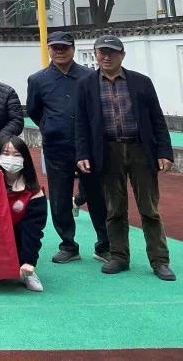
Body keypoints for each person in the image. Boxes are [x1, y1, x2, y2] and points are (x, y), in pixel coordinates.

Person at [76, 35, 175, 281]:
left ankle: (160, 260)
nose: (106, 57)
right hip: (107, 151)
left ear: (122, 55)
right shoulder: (86, 85)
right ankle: (119, 256)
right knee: (114, 208)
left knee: (149, 208)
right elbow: (81, 124)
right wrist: (83, 153)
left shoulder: (141, 82)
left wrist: (164, 151)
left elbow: (157, 118)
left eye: (112, 52)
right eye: (101, 52)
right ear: (96, 54)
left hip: (140, 149)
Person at [26, 31, 109, 264]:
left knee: (96, 195)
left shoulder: (90, 76)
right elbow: (34, 110)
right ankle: (68, 245)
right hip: (56, 146)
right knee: (60, 197)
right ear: (49, 50)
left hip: (88, 147)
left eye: (64, 47)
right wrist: (50, 126)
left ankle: (104, 245)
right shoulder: (38, 80)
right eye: (55, 48)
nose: (60, 51)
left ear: (73, 49)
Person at [0, 136, 48, 292]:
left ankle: (27, 271)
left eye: (16, 155)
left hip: (16, 237)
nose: (10, 158)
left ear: (25, 159)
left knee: (23, 234)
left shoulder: (34, 193)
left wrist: (29, 261)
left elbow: (33, 232)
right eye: (6, 153)